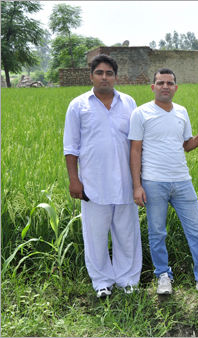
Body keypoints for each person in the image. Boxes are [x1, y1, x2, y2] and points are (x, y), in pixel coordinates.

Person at [129, 68, 198, 296]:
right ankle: (163, 276)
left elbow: (186, 145)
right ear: (153, 87)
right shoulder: (141, 113)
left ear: (176, 88)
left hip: (182, 181)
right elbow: (135, 150)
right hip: (153, 182)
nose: (165, 86)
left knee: (197, 231)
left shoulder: (182, 112)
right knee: (157, 232)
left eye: (169, 83)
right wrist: (137, 185)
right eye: (160, 83)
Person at [63, 54, 142, 298]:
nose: (104, 77)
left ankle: (127, 280)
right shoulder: (78, 105)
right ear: (91, 76)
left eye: (109, 73)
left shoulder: (129, 103)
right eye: (99, 73)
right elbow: (70, 146)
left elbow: (137, 144)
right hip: (93, 184)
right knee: (95, 235)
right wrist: (74, 180)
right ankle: (102, 283)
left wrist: (139, 181)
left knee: (127, 233)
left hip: (126, 183)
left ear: (116, 77)